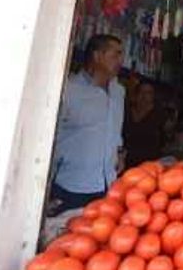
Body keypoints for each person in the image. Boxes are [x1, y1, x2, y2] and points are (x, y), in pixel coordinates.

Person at [50, 34, 126, 214]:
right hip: (72, 186)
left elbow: (115, 129)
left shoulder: (118, 92)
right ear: (97, 56)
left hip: (109, 184)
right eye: (115, 55)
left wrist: (120, 151)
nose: (121, 60)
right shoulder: (68, 90)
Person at [122, 81, 168, 168]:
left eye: (148, 93)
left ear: (153, 96)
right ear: (135, 94)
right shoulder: (126, 112)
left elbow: (165, 140)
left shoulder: (159, 115)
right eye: (141, 92)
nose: (144, 96)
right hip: (124, 164)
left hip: (148, 167)